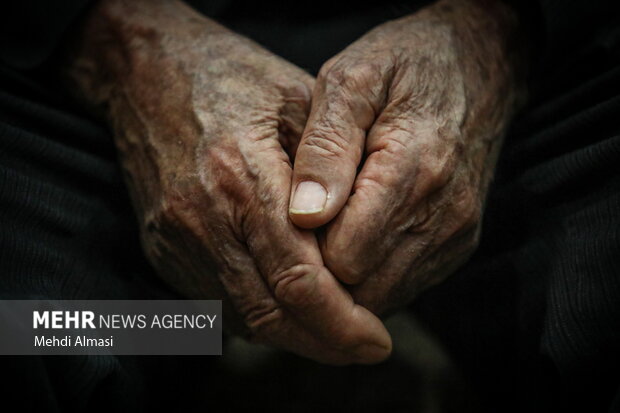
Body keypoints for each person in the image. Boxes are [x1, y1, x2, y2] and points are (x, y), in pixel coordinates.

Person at [0, 0, 618, 411]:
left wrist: (496, 34)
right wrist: (118, 42)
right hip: (99, 77)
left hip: (526, 77)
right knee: (26, 332)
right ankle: (195, 332)